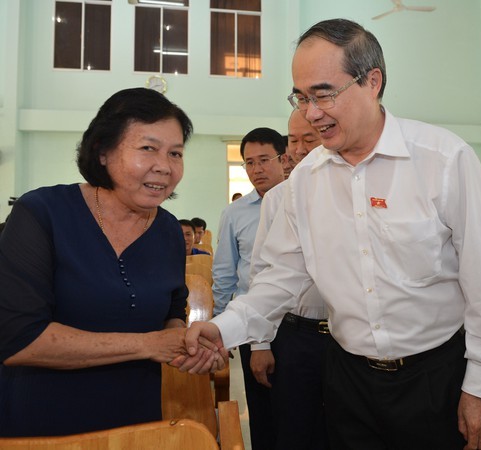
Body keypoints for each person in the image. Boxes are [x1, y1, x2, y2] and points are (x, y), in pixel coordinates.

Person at [178, 18, 481, 450]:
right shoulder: (305, 182)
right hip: (347, 378)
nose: (311, 113)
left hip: (435, 377)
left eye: (323, 94)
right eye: (301, 98)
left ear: (372, 81)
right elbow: (280, 280)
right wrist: (223, 330)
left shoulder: (443, 160)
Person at [0, 88, 217, 437]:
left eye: (175, 153)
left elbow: (171, 314)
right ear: (103, 151)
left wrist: (187, 346)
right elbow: (19, 339)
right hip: (41, 426)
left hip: (136, 424)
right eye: (148, 148)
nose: (165, 166)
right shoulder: (42, 213)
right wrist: (148, 344)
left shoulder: (168, 231)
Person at [249, 111, 326, 450]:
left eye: (309, 139)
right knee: (294, 429)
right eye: (294, 141)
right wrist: (260, 344)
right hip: (295, 334)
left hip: (348, 338)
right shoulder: (278, 198)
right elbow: (261, 273)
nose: (300, 148)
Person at [211, 127, 286, 450]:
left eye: (264, 160)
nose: (257, 169)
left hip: (300, 326)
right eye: (249, 163)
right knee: (263, 411)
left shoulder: (304, 202)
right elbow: (225, 275)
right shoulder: (235, 213)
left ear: (284, 159)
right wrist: (219, 331)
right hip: (252, 324)